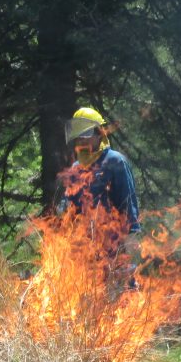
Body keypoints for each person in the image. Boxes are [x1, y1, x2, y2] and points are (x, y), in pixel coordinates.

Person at [59, 106, 141, 285]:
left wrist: (127, 260)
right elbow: (67, 215)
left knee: (120, 304)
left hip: (113, 251)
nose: (81, 141)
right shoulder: (75, 168)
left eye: (86, 136)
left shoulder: (115, 162)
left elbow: (129, 211)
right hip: (84, 256)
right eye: (78, 137)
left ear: (99, 134)